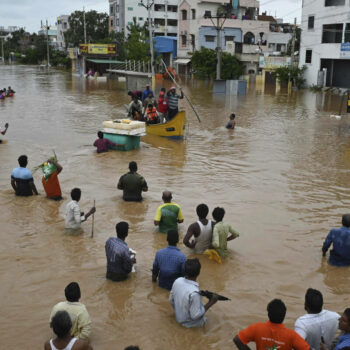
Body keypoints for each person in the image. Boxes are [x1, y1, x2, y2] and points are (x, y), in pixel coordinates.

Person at [233, 299, 310, 350]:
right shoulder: (291, 335)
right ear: (284, 316)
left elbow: (237, 340)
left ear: (268, 314)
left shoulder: (257, 328)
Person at [169, 258, 219, 328]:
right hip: (192, 326)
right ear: (199, 272)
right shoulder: (194, 293)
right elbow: (195, 316)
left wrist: (179, 313)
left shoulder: (177, 281)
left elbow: (171, 300)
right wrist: (211, 302)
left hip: (178, 319)